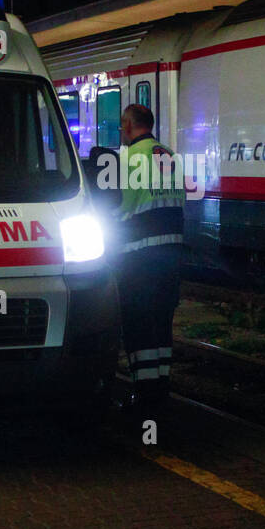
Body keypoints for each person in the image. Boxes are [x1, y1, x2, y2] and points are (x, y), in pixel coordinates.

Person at [111, 104, 185, 405]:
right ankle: (161, 390)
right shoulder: (168, 155)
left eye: (121, 126)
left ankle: (144, 397)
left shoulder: (127, 159)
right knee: (162, 322)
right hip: (171, 255)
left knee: (139, 325)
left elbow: (118, 210)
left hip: (138, 257)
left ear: (128, 126)